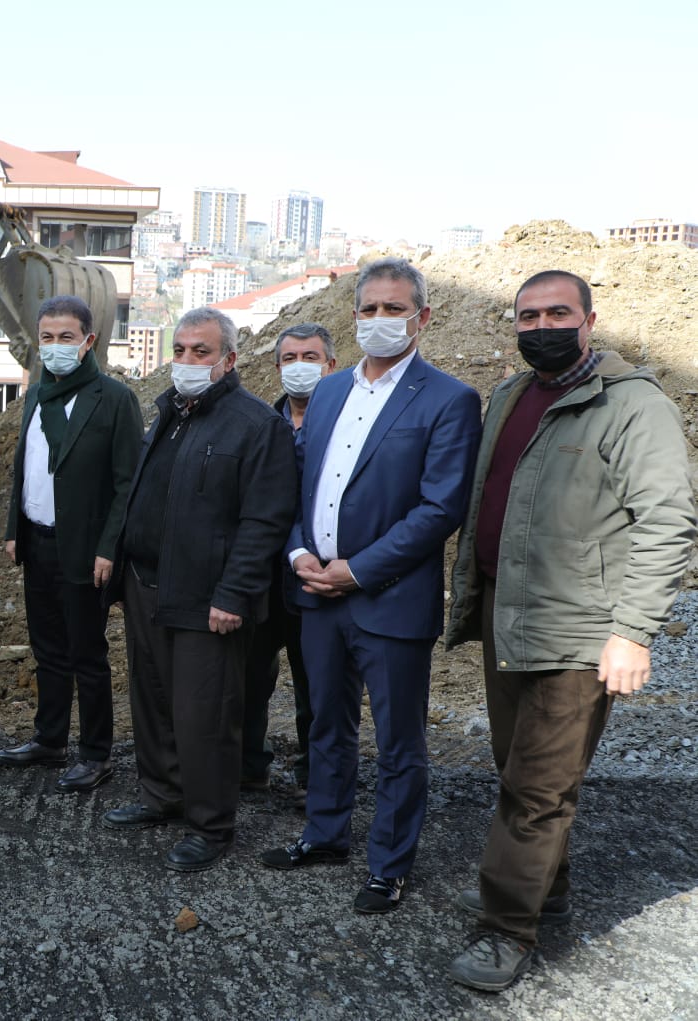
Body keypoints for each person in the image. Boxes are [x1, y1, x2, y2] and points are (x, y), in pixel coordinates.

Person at [443, 270, 697, 991]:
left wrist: (631, 631)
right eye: (527, 315)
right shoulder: (511, 396)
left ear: (589, 320)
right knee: (513, 763)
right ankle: (540, 887)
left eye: (557, 312)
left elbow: (667, 522)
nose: (540, 326)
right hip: (506, 614)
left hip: (580, 632)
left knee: (536, 785)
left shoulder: (631, 404)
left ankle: (504, 929)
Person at [257, 258, 482, 915]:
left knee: (397, 741)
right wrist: (299, 549)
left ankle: (388, 864)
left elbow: (439, 508)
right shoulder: (327, 393)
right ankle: (324, 833)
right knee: (324, 723)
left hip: (386, 600)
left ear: (421, 316)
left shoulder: (447, 399)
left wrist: (354, 569)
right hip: (317, 595)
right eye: (368, 309)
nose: (379, 320)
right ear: (351, 316)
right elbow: (297, 486)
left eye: (393, 308)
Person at [102, 307, 296, 872]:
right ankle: (162, 795)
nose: (187, 361)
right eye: (180, 350)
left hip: (207, 597)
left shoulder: (256, 426)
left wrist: (234, 595)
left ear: (229, 359)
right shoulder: (168, 412)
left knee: (203, 715)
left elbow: (265, 520)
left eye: (201, 352)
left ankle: (211, 825)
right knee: (153, 701)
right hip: (146, 585)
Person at [0, 296, 142, 791]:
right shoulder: (36, 397)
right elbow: (24, 469)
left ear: (88, 341)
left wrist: (109, 548)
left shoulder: (115, 399)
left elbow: (127, 484)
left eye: (65, 337)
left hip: (84, 550)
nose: (55, 347)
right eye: (47, 338)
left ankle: (96, 753)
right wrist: (15, 530)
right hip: (37, 543)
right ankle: (50, 738)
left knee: (86, 653)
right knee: (48, 648)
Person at [240, 323, 337, 798]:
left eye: (311, 357)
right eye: (290, 358)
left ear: (331, 365)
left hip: (317, 576)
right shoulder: (261, 425)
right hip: (261, 576)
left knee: (314, 685)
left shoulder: (344, 425)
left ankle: (312, 776)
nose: (301, 367)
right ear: (277, 367)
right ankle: (248, 767)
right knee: (250, 679)